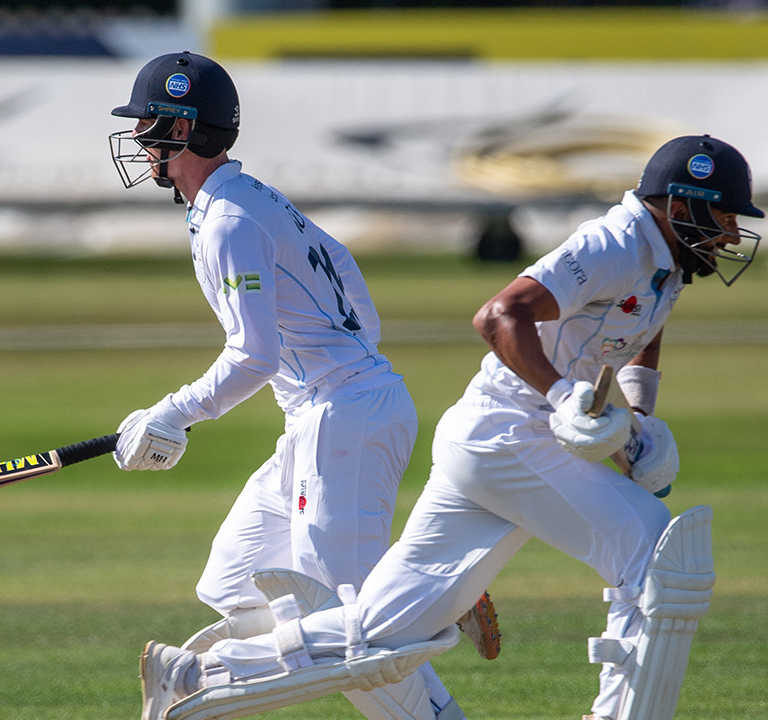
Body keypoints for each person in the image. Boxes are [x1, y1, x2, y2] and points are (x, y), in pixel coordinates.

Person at [137, 134, 763, 720]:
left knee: (378, 630)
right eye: (726, 216)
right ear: (684, 204)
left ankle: (197, 676)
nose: (733, 232)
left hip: (484, 442)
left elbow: (639, 332)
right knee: (654, 552)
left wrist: (640, 423)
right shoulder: (616, 243)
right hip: (507, 435)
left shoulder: (665, 264)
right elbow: (500, 315)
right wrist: (565, 395)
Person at [106, 51, 496, 720]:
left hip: (342, 416)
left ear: (184, 130)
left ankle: (419, 597)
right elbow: (347, 281)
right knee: (234, 578)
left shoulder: (229, 219)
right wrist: (327, 372)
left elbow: (253, 354)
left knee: (354, 632)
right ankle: (410, 586)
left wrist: (174, 413)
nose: (140, 141)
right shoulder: (246, 198)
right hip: (328, 412)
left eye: (149, 126)